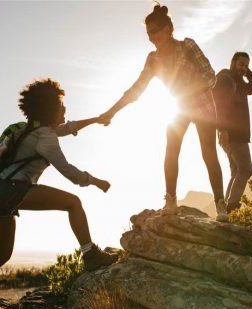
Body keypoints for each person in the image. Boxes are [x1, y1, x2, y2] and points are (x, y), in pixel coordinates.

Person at [0, 79, 118, 309]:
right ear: (50, 109)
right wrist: (95, 181)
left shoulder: (27, 129)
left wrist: (95, 120)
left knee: (1, 254)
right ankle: (91, 255)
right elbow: (68, 171)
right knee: (73, 203)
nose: (65, 110)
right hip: (14, 190)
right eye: (62, 107)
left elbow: (66, 128)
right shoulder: (45, 136)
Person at [98, 3, 228, 222]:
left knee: (208, 153)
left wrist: (191, 90)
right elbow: (135, 89)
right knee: (171, 149)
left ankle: (220, 204)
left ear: (169, 29)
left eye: (155, 31)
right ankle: (170, 200)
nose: (152, 36)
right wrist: (111, 112)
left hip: (202, 104)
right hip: (178, 107)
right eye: (148, 33)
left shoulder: (188, 46)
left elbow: (210, 75)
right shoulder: (153, 59)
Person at [214, 52, 252, 213]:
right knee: (246, 169)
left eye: (246, 65)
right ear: (233, 62)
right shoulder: (226, 79)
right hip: (231, 132)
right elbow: (219, 106)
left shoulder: (240, 82)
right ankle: (232, 205)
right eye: (241, 64)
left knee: (236, 171)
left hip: (236, 133)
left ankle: (226, 208)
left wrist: (246, 72)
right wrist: (222, 131)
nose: (243, 68)